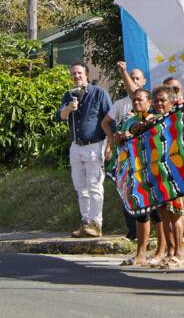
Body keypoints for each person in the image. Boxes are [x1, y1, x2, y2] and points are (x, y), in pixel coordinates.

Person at [55, 62, 112, 238]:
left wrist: (110, 144)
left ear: (86, 75)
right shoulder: (69, 95)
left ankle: (96, 223)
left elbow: (109, 119)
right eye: (73, 74)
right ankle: (86, 221)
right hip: (76, 146)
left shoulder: (99, 93)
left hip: (94, 145)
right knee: (80, 186)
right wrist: (69, 108)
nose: (77, 76)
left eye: (79, 73)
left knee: (95, 185)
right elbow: (59, 116)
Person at [116, 88, 162, 266]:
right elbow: (122, 139)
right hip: (136, 171)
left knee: (159, 213)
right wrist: (121, 137)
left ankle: (161, 251)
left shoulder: (154, 118)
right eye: (134, 100)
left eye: (140, 100)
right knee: (141, 212)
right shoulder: (129, 120)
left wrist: (136, 130)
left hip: (155, 169)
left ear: (149, 102)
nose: (136, 103)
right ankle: (141, 254)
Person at [103, 62, 148, 240]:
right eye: (131, 77)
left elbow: (134, 93)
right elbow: (106, 123)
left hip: (145, 160)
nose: (137, 102)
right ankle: (133, 234)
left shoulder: (148, 108)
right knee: (128, 194)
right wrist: (112, 140)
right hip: (126, 160)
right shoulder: (124, 107)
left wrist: (122, 72)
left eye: (137, 78)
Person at [149, 85, 184, 269]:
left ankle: (179, 255)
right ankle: (170, 253)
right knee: (164, 213)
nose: (159, 104)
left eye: (163, 100)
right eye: (155, 100)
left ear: (171, 102)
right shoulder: (150, 120)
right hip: (158, 171)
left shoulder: (178, 117)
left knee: (176, 212)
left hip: (175, 171)